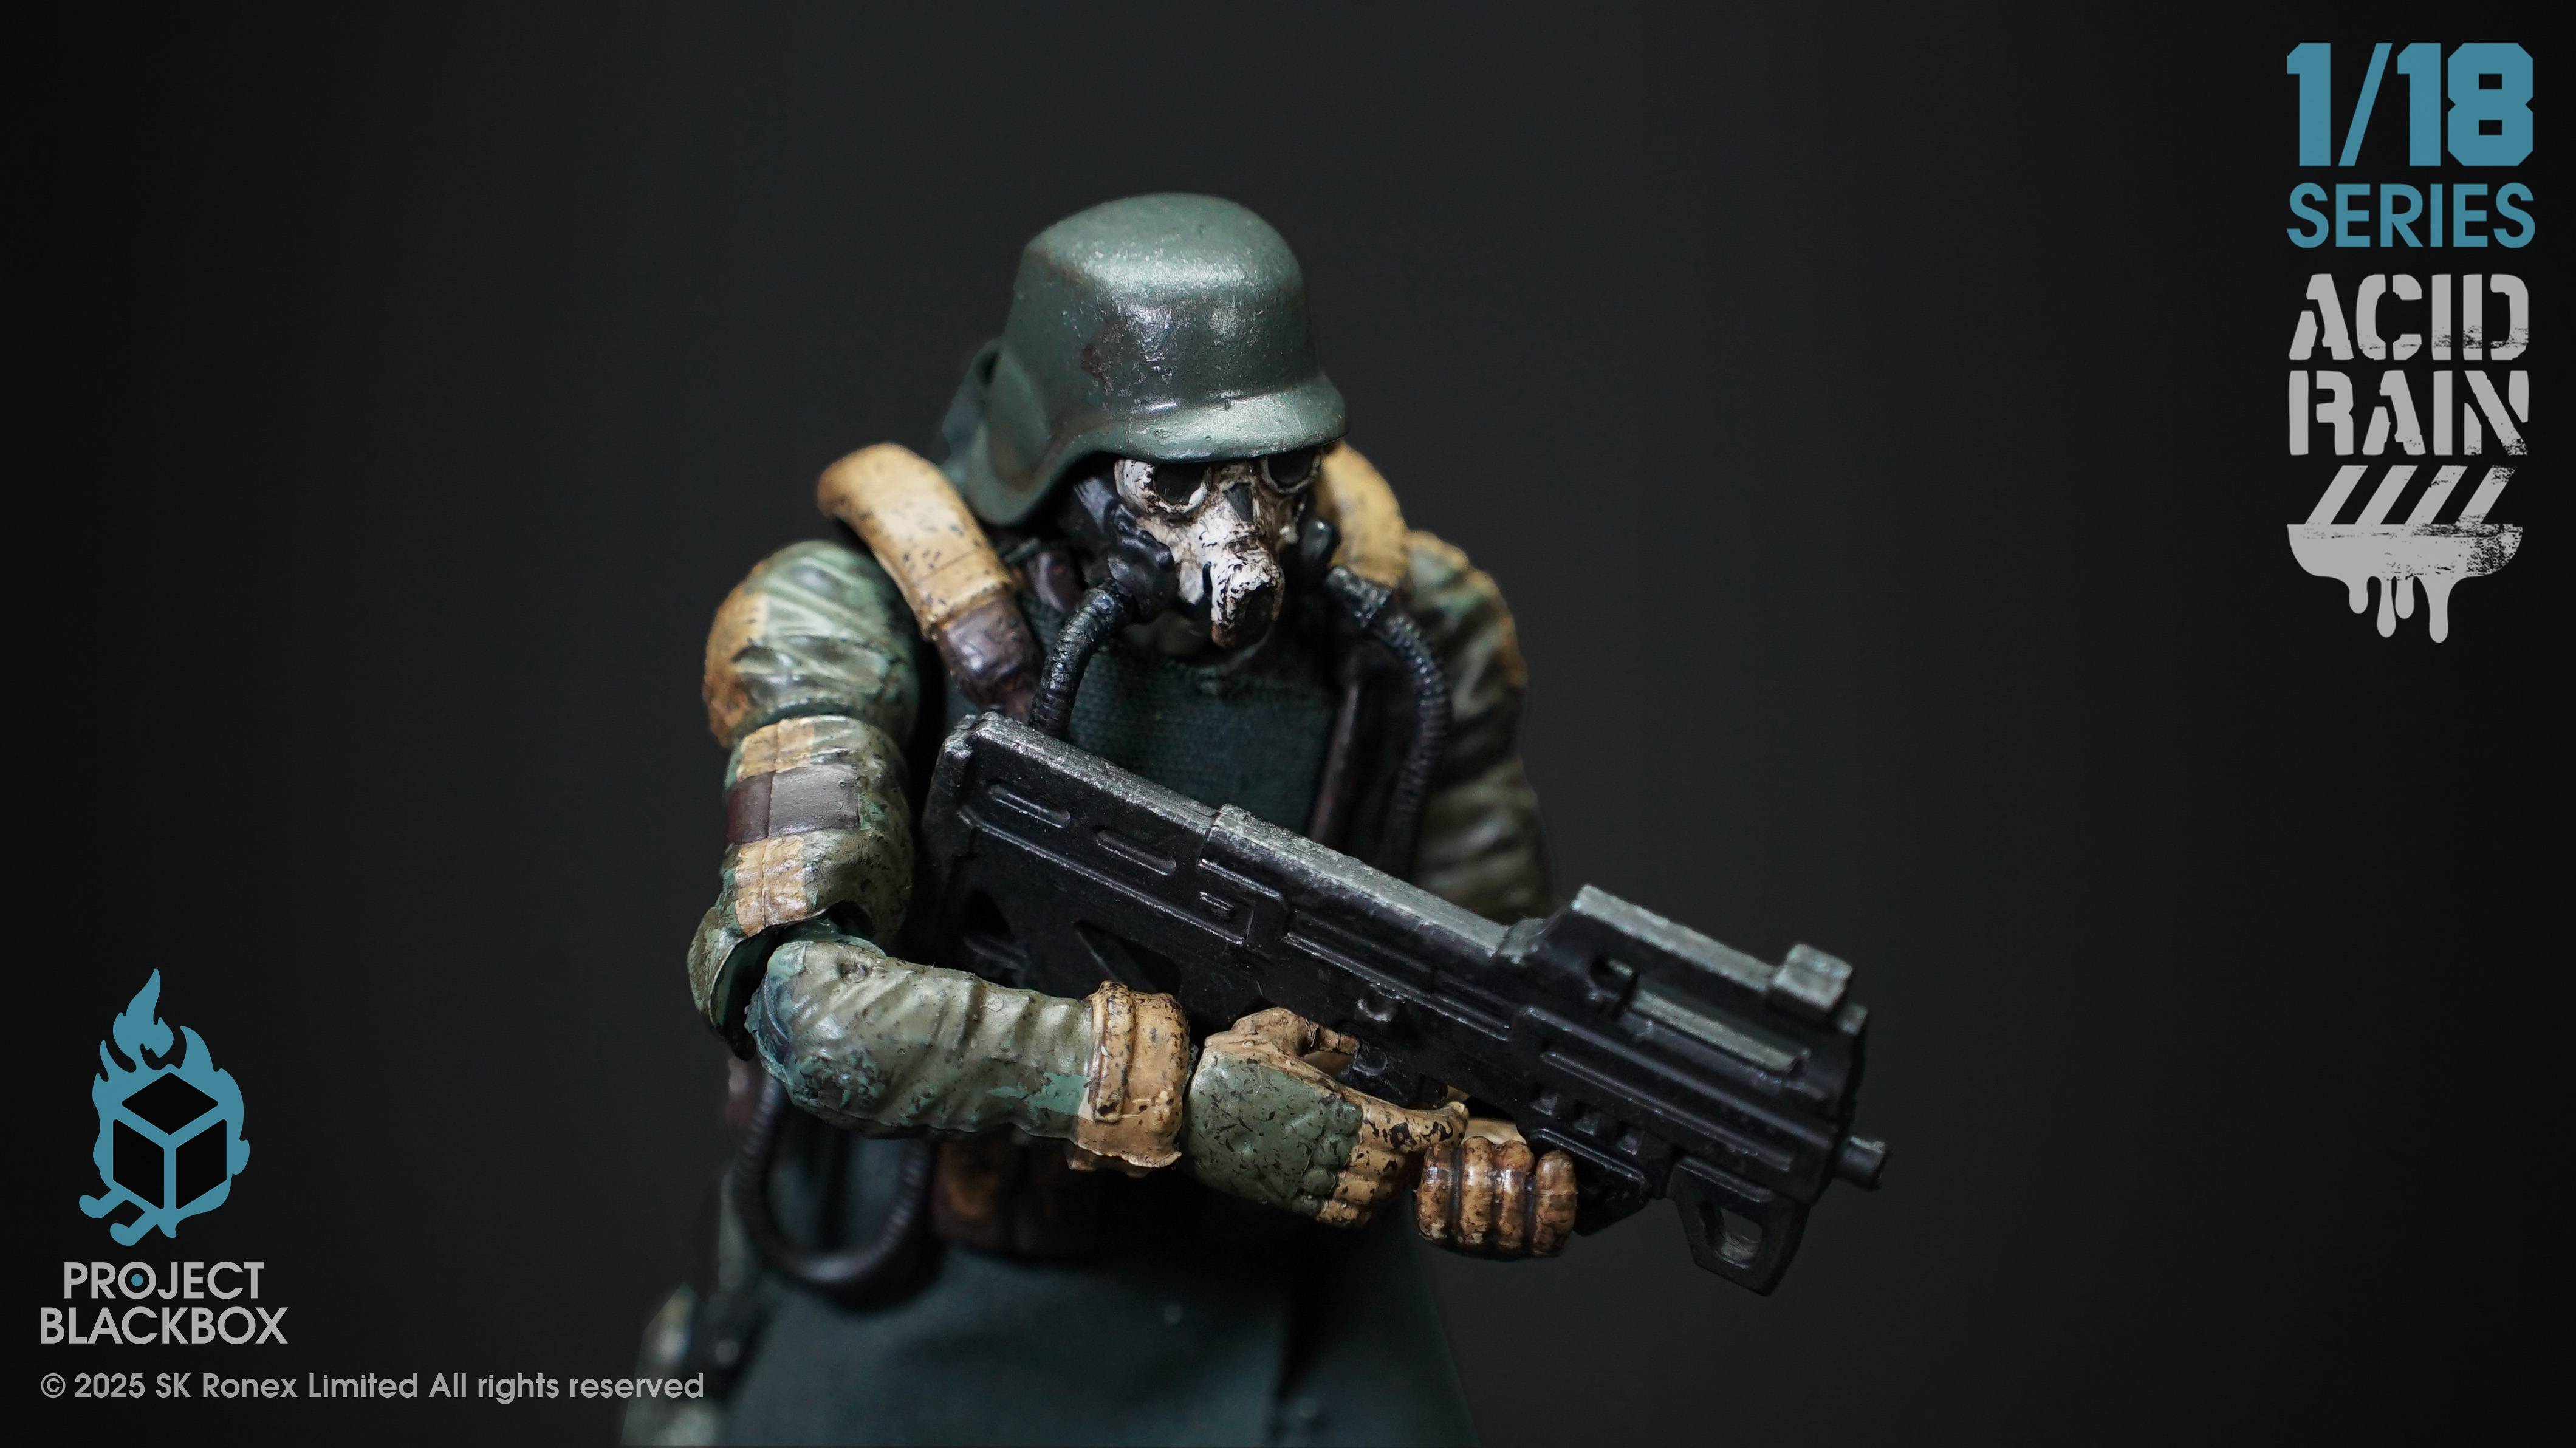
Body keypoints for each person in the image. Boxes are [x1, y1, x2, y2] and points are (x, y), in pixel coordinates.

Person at [629, 194, 1571, 1447]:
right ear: (1060, 466)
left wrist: (1500, 1144)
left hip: (1287, 1303)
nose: (1243, 534)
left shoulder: (1410, 638)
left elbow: (1500, 995)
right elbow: (799, 1002)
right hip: (937, 1294)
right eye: (1174, 485)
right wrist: (1171, 1094)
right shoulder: (849, 620)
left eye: (1280, 475)